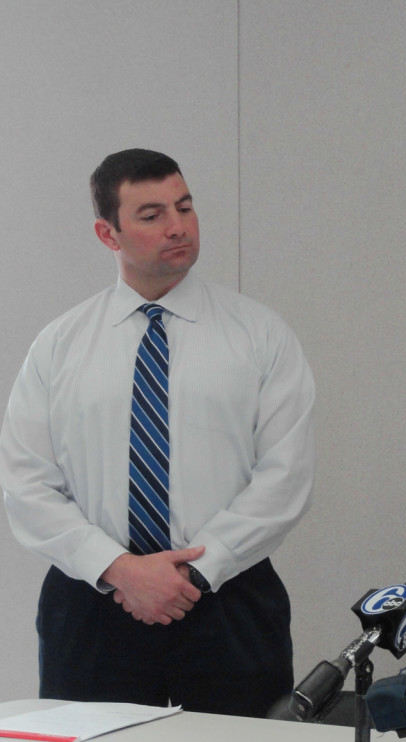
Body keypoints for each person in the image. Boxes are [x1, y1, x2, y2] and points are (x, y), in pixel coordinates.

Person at [0, 149, 316, 717]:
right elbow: (25, 483)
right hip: (94, 598)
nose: (178, 227)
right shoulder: (59, 345)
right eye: (151, 214)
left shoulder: (260, 335)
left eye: (185, 207)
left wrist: (193, 572)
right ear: (108, 233)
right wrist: (120, 570)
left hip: (230, 593)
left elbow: (286, 476)